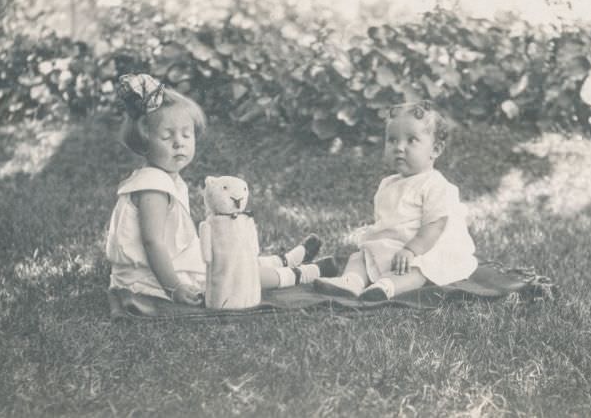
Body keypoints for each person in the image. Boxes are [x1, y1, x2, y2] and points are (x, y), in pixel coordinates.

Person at [105, 73, 336, 305]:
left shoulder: (164, 179)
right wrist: (174, 288)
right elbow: (152, 243)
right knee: (235, 274)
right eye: (167, 136)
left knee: (231, 257)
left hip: (173, 261)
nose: (179, 142)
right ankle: (302, 274)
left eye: (187, 134)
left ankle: (284, 259)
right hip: (150, 277)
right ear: (144, 140)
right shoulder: (152, 187)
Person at [314, 100, 477, 301]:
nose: (399, 147)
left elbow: (435, 225)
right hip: (393, 245)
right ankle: (352, 282)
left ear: (435, 149)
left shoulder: (436, 185)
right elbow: (390, 222)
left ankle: (387, 287)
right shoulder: (388, 184)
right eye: (392, 140)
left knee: (418, 270)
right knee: (360, 257)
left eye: (411, 140)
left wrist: (410, 250)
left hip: (425, 248)